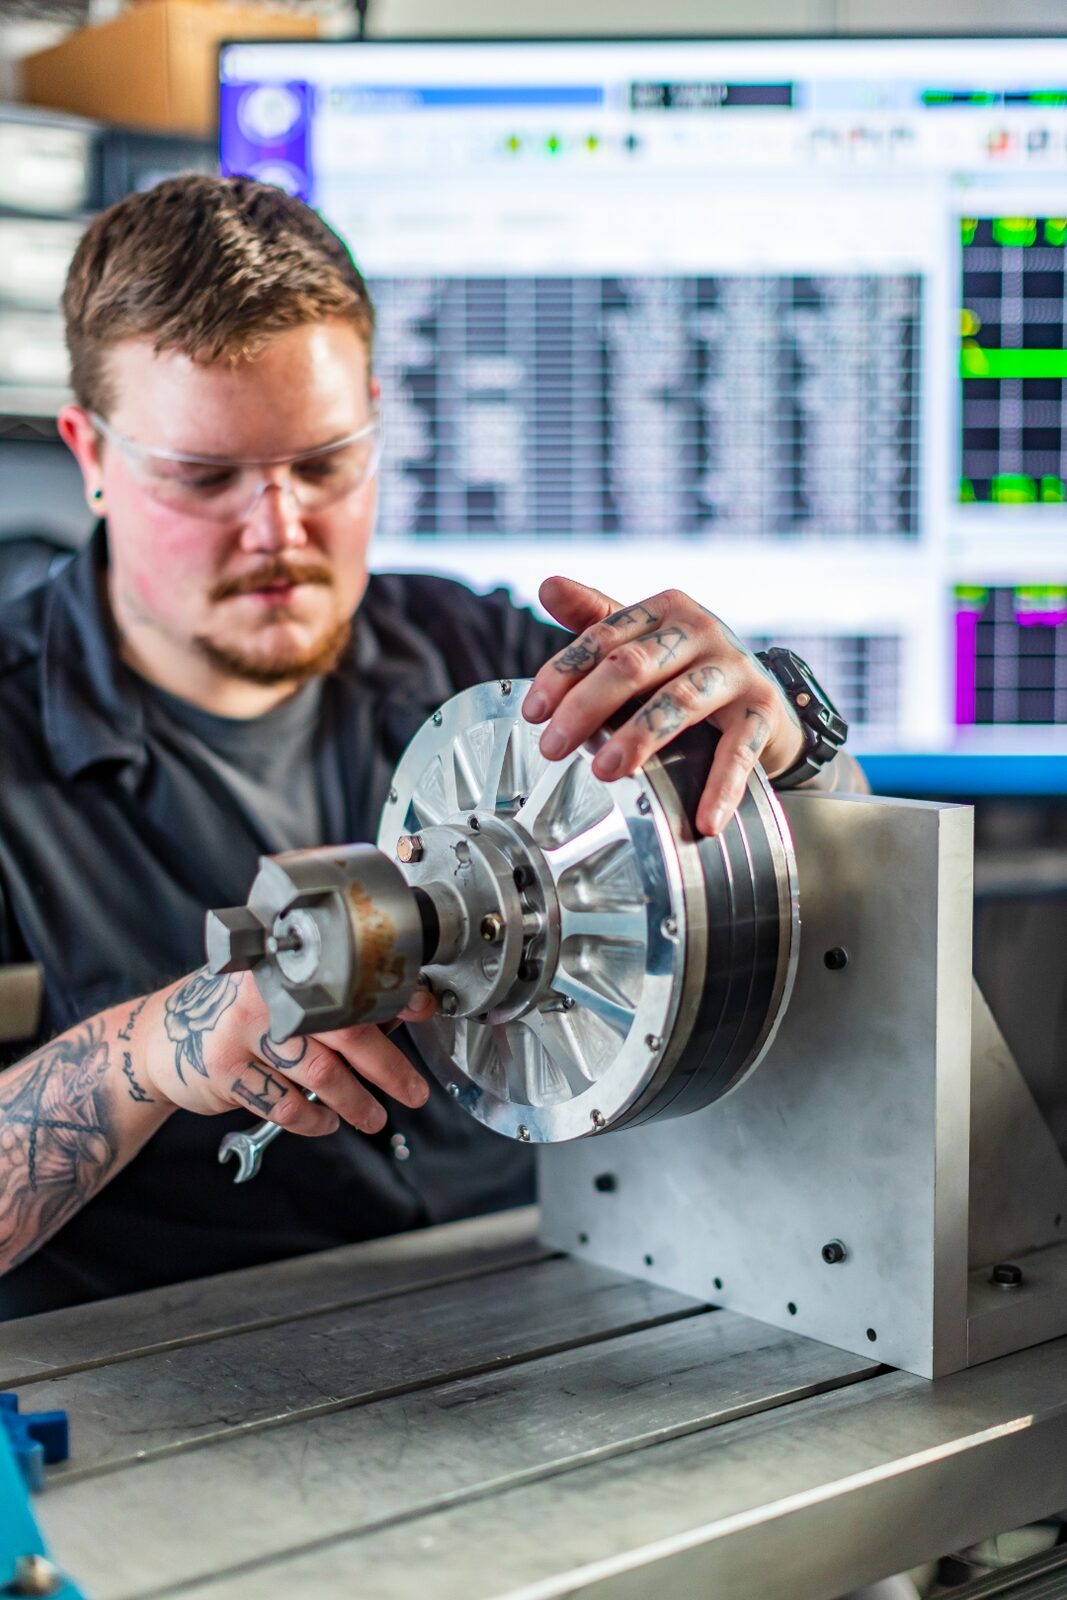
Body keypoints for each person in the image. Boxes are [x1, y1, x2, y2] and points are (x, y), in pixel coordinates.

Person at [0, 175, 867, 1319]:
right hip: (191, 1369)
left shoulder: (504, 671)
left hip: (551, 1303)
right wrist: (148, 1049)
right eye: (205, 477)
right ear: (91, 453)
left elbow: (826, 944)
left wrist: (792, 756)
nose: (279, 531)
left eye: (323, 463)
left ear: (372, 409)